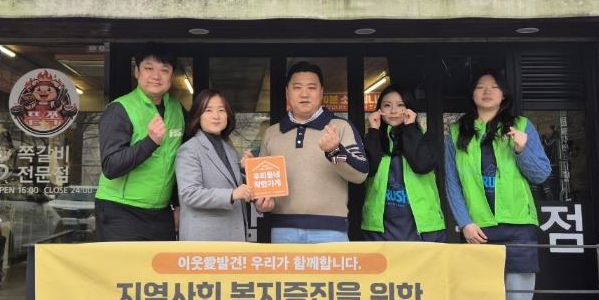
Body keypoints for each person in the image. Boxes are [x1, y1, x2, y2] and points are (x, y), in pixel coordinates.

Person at [445, 70, 551, 300]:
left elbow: (541, 174)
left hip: (519, 227)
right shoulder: (457, 132)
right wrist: (465, 222)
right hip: (478, 230)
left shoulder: (521, 126)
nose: (487, 91)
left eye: (494, 87)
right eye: (480, 87)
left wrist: (522, 149)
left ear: (504, 94)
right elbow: (452, 182)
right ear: (472, 94)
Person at [259, 61, 368, 243]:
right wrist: (262, 202)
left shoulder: (340, 127)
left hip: (331, 230)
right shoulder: (272, 133)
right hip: (283, 230)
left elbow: (360, 174)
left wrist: (334, 151)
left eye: (311, 87)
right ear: (287, 92)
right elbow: (263, 186)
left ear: (321, 92)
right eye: (297, 87)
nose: (304, 94)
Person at [95, 42, 185, 241]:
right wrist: (150, 142)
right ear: (137, 72)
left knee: (160, 263)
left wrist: (178, 204)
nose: (156, 76)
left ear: (172, 76)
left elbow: (178, 160)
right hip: (120, 211)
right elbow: (111, 166)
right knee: (125, 264)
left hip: (161, 213)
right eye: (148, 68)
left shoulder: (176, 109)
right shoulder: (120, 109)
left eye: (164, 70)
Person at [175, 89, 274, 241]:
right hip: (205, 240)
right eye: (208, 110)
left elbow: (233, 184)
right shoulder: (189, 150)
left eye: (221, 110)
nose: (216, 116)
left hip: (232, 238)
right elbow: (190, 194)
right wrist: (231, 195)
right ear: (198, 116)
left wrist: (249, 171)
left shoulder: (229, 150)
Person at [362, 84, 446, 241]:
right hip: (379, 229)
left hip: (423, 227)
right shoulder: (374, 139)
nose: (393, 111)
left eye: (400, 105)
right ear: (379, 110)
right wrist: (373, 131)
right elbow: (367, 170)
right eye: (387, 105)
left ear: (409, 109)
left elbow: (421, 165)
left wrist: (410, 128)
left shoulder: (427, 139)